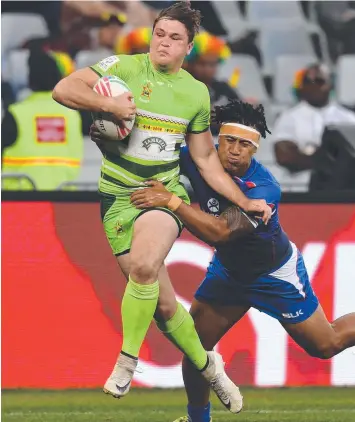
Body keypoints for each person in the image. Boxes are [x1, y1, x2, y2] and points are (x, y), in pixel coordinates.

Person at [126, 99, 355, 422]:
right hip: (230, 273)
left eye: (245, 145)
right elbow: (151, 146)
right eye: (229, 140)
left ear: (255, 149)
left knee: (325, 344)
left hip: (274, 274)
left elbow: (218, 232)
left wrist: (172, 201)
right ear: (218, 138)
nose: (235, 150)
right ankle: (198, 419)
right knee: (194, 349)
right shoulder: (198, 160)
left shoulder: (264, 189)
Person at [52, 1, 271, 410]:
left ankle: (126, 361)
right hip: (117, 199)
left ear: (188, 47)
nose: (163, 43)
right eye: (159, 34)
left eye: (174, 38)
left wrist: (244, 199)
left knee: (143, 266)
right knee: (165, 306)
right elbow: (63, 89)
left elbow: (206, 159)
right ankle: (211, 368)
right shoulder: (124, 69)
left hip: (160, 193)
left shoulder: (195, 93)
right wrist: (110, 105)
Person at [2, 49, 83, 190]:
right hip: (64, 199)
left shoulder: (16, 113)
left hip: (21, 201)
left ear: (30, 80)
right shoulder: (72, 115)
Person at [271, 63, 355, 190]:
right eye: (308, 81)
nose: (313, 86)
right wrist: (324, 160)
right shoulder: (288, 117)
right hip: (299, 186)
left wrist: (309, 154)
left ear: (330, 85)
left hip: (342, 188)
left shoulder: (349, 119)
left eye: (319, 81)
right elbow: (284, 156)